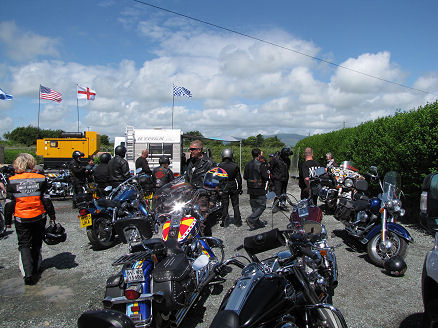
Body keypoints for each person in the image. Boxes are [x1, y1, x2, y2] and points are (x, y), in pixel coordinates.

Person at [4, 153, 57, 285]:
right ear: (32, 163)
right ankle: (35, 268)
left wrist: (7, 221)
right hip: (39, 216)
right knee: (37, 242)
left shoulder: (12, 180)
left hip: (21, 217)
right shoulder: (41, 178)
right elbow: (46, 200)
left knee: (23, 244)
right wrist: (52, 216)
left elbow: (9, 203)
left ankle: (28, 273)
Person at [185, 140, 214, 235]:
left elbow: (214, 182)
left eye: (193, 149)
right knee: (190, 218)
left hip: (203, 195)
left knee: (202, 219)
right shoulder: (190, 161)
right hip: (191, 194)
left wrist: (212, 199)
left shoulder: (208, 163)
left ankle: (203, 243)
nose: (191, 151)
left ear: (199, 150)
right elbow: (187, 178)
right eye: (190, 149)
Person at [243, 148, 270, 231]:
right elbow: (265, 177)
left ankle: (256, 222)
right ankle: (251, 219)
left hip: (250, 187)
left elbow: (245, 177)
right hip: (259, 187)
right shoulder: (261, 164)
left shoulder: (248, 164)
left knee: (254, 206)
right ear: (259, 155)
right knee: (262, 205)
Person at [218, 148, 242, 227]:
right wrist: (240, 188)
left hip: (224, 185)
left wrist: (218, 188)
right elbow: (238, 178)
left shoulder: (220, 166)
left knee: (225, 204)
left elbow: (217, 178)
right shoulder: (235, 165)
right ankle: (238, 222)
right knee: (235, 204)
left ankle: (224, 222)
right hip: (233, 184)